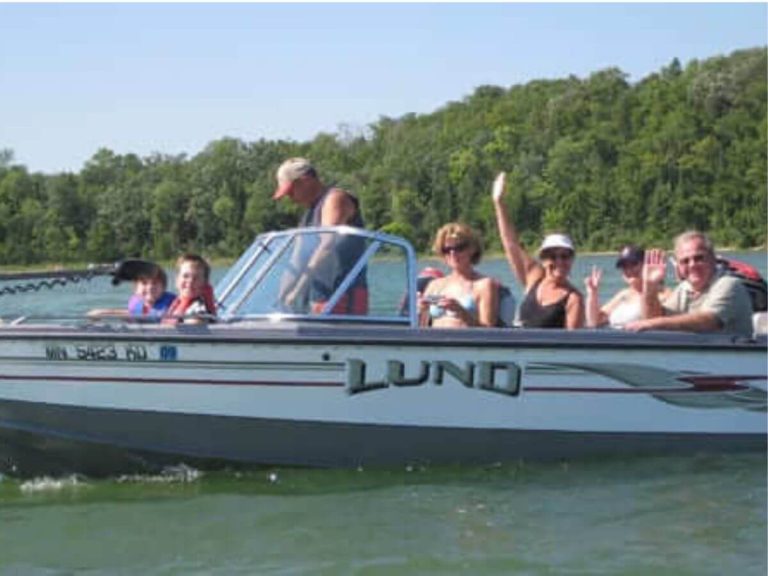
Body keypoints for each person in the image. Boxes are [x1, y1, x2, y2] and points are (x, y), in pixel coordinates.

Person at [273, 157, 368, 315]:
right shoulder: (308, 215)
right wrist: (280, 298)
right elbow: (297, 259)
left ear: (306, 180)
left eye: (290, 191)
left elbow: (327, 245)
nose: (290, 197)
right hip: (320, 296)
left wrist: (297, 291)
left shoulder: (335, 199)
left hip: (343, 294)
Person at [491, 172, 584, 329]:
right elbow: (511, 244)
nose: (559, 261)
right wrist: (499, 203)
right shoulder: (534, 277)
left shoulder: (573, 299)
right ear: (543, 259)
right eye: (552, 256)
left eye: (565, 256)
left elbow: (572, 342)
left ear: (572, 259)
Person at [625, 231, 753, 337]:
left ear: (713, 259)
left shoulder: (729, 284)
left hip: (729, 356)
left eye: (699, 258)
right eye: (685, 261)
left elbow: (708, 321)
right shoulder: (684, 289)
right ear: (678, 266)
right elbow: (653, 318)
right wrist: (650, 286)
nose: (692, 265)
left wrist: (653, 324)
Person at [418, 223, 499, 328]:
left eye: (459, 248)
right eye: (447, 250)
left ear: (472, 249)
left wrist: (461, 311)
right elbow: (423, 327)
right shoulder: (434, 285)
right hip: (435, 338)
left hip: (466, 338)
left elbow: (489, 331)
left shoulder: (484, 285)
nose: (452, 253)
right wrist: (421, 309)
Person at [584, 245, 670, 328]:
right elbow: (594, 322)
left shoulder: (664, 295)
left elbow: (656, 323)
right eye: (624, 266)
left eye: (633, 264)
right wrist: (592, 293)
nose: (629, 270)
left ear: (646, 265)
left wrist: (650, 284)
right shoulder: (624, 295)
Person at [88, 264, 175, 319]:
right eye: (144, 283)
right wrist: (103, 312)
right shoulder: (136, 304)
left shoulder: (173, 304)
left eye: (155, 283)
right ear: (136, 289)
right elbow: (130, 314)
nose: (150, 287)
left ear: (163, 287)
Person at [164, 254, 216, 324]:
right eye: (185, 276)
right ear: (177, 279)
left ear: (204, 283)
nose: (190, 281)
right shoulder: (176, 303)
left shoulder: (198, 310)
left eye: (196, 278)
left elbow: (195, 326)